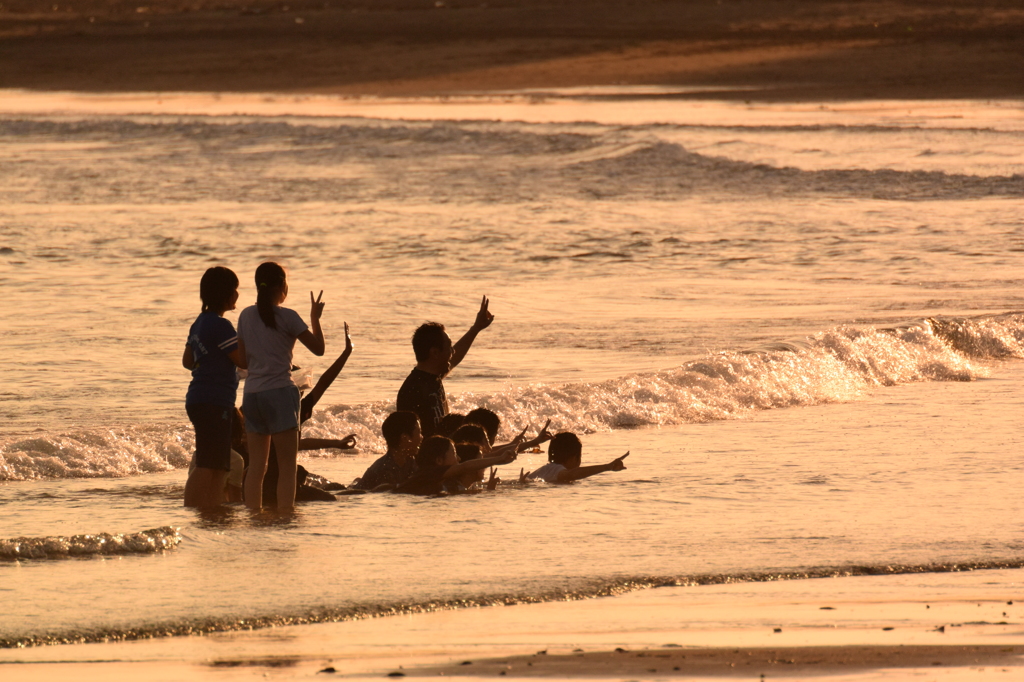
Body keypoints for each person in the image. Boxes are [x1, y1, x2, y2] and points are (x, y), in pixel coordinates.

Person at [237, 262, 326, 511]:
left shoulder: (245, 315)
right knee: (287, 467)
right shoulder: (288, 316)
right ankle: (285, 516)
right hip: (280, 394)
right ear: (281, 286)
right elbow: (319, 349)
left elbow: (243, 362)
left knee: (256, 466)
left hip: (252, 396)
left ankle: (254, 516)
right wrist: (314, 319)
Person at [182, 266, 247, 508]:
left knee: (219, 464)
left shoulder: (199, 322)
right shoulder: (221, 325)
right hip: (213, 401)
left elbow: (188, 361)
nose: (237, 295)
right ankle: (192, 509)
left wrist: (210, 363)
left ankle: (210, 509)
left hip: (200, 398)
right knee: (207, 464)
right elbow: (242, 360)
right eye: (235, 290)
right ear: (226, 294)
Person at [396, 296, 493, 438]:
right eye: (449, 347)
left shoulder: (433, 377)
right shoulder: (413, 390)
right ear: (434, 353)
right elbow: (406, 442)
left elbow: (455, 357)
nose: (452, 351)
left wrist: (476, 328)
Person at [394, 435, 517, 496]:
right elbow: (464, 467)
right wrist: (499, 458)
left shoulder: (443, 480)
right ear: (439, 461)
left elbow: (462, 493)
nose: (458, 458)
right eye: (453, 453)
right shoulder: (430, 472)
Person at [354, 411, 422, 490]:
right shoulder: (383, 470)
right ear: (405, 438)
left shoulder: (412, 462)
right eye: (419, 433)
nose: (421, 437)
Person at [526, 432, 629, 484]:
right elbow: (570, 475)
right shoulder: (557, 469)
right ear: (574, 458)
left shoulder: (545, 469)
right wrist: (607, 467)